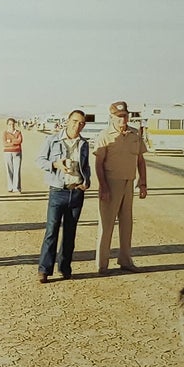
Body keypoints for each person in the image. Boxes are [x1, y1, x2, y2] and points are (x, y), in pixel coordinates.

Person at [94, 100, 150, 273]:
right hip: (111, 183)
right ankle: (102, 265)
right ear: (111, 117)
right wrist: (103, 187)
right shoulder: (105, 135)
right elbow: (98, 163)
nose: (122, 120)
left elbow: (140, 160)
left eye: (124, 116)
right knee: (106, 225)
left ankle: (125, 260)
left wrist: (143, 183)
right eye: (118, 117)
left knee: (127, 224)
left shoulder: (135, 134)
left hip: (129, 183)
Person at [37, 109, 92, 282]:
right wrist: (55, 164)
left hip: (76, 192)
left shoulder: (83, 144)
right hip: (58, 191)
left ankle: (65, 267)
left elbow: (86, 166)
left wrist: (87, 181)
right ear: (67, 121)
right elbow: (39, 161)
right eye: (75, 121)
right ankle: (44, 270)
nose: (78, 126)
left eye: (82, 123)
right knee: (51, 231)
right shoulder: (52, 140)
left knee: (70, 232)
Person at [3, 116, 24, 192]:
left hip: (17, 152)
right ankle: (10, 187)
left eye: (12, 124)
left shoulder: (18, 132)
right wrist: (13, 142)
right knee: (9, 170)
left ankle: (17, 188)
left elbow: (19, 141)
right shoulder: (5, 133)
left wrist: (10, 141)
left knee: (17, 170)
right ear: (7, 125)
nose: (11, 126)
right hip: (7, 153)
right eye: (9, 124)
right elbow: (5, 143)